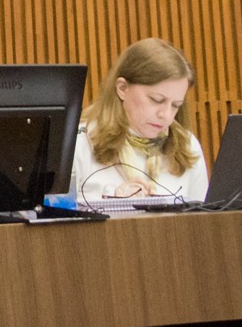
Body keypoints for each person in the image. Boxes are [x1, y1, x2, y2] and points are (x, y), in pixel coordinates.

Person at [70, 38, 210, 203]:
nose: (165, 114)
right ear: (122, 88)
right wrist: (112, 207)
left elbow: (201, 222)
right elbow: (54, 221)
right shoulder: (79, 140)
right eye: (156, 100)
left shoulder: (187, 145)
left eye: (175, 105)